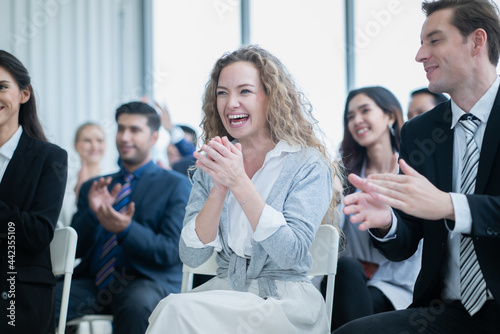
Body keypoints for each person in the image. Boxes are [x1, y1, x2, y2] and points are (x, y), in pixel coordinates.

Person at [146, 45, 339, 334]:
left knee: (174, 311)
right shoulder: (214, 164)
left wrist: (239, 182)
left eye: (244, 91)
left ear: (270, 97)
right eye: (222, 92)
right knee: (170, 309)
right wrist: (220, 188)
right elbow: (191, 257)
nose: (230, 103)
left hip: (282, 304)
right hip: (227, 293)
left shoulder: (307, 164)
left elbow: (291, 254)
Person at [336, 0, 500, 333]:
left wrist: (450, 205)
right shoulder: (420, 132)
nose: (420, 54)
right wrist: (387, 222)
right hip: (448, 311)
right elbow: (407, 239)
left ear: (477, 42)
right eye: (421, 42)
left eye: (434, 40)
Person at [55, 101, 192, 334]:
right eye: (121, 128)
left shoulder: (175, 185)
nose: (125, 137)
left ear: (154, 136)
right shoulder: (96, 186)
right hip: (94, 283)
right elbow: (75, 250)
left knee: (136, 305)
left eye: (135, 130)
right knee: (38, 297)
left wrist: (126, 229)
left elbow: (170, 251)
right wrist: (93, 213)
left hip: (146, 282)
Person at [329, 86, 421, 330]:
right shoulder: (343, 173)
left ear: (390, 116)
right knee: (345, 271)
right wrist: (331, 198)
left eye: (364, 111)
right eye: (350, 117)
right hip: (350, 280)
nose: (357, 120)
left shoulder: (411, 168)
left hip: (395, 285)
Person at [0, 50, 67, 333]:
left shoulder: (49, 158)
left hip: (17, 290)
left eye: (2, 87)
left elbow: (38, 233)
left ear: (23, 94)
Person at [59, 122, 106, 226]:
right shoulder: (66, 184)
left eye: (99, 140)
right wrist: (78, 194)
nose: (94, 146)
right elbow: (64, 223)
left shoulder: (113, 178)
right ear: (76, 145)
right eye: (87, 140)